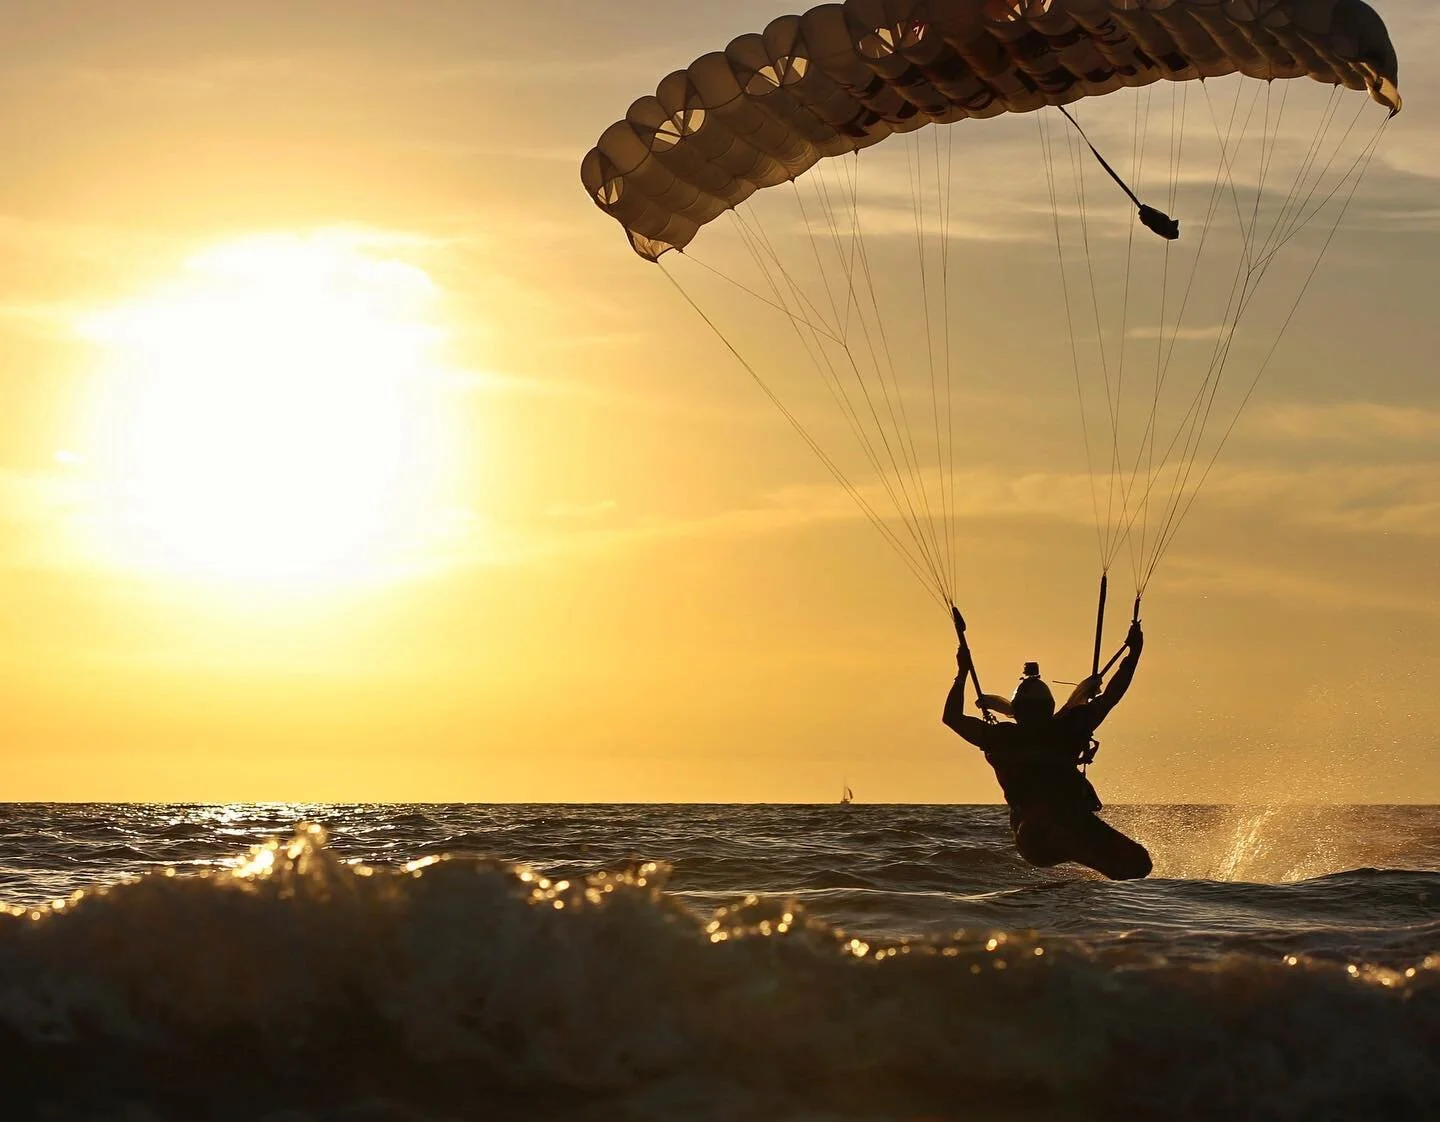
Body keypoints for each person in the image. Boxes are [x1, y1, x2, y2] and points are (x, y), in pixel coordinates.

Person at [943, 620, 1152, 880]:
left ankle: (1092, 860)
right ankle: (1092, 858)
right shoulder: (1070, 725)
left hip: (1055, 830)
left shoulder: (1002, 736)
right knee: (1132, 864)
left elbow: (951, 717)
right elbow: (1112, 694)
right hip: (1042, 833)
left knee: (1140, 864)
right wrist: (1133, 654)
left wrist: (962, 673)